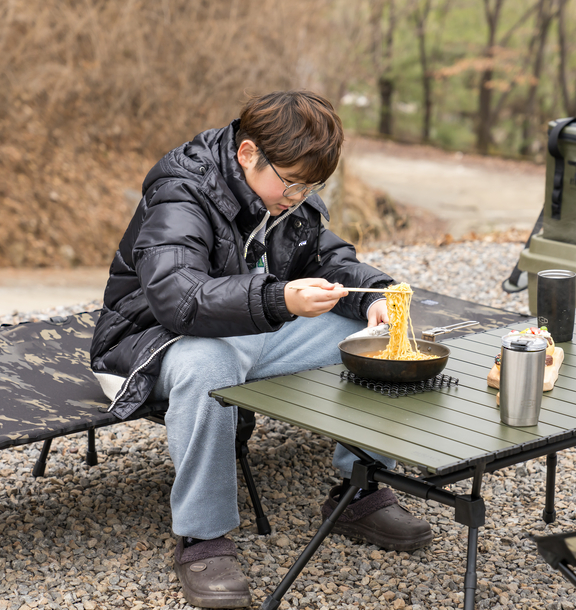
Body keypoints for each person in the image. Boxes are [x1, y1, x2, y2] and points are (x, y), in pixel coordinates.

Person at [90, 90, 432, 608]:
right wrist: (280, 297)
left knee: (374, 340)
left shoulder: (288, 194)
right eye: (291, 181)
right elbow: (177, 297)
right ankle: (202, 539)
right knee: (212, 363)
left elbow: (329, 258)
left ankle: (360, 489)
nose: (298, 196)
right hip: (154, 340)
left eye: (311, 185)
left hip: (252, 326)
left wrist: (374, 297)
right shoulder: (181, 189)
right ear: (248, 153)